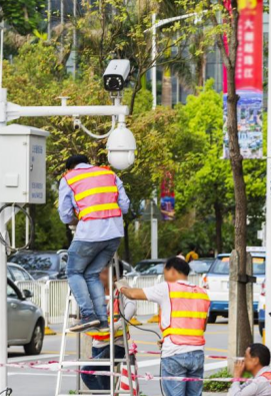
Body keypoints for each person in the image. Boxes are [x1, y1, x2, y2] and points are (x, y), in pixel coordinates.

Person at [117, 257, 209, 396]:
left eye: (164, 271)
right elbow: (201, 327)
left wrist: (121, 286)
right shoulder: (202, 293)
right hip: (197, 354)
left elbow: (133, 294)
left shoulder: (167, 288)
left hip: (174, 353)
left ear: (172, 271)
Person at [59, 154, 130, 332]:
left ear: (70, 168)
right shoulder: (109, 174)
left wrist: (78, 217)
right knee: (91, 274)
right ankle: (102, 320)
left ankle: (88, 314)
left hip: (89, 233)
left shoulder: (68, 178)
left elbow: (65, 215)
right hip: (114, 234)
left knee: (73, 271)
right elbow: (125, 206)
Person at [81, 261, 137, 390]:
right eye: (100, 272)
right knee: (105, 384)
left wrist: (118, 324)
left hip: (116, 345)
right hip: (98, 344)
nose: (100, 276)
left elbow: (132, 305)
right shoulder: (95, 292)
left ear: (115, 277)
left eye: (105, 273)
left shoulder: (121, 291)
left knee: (86, 373)